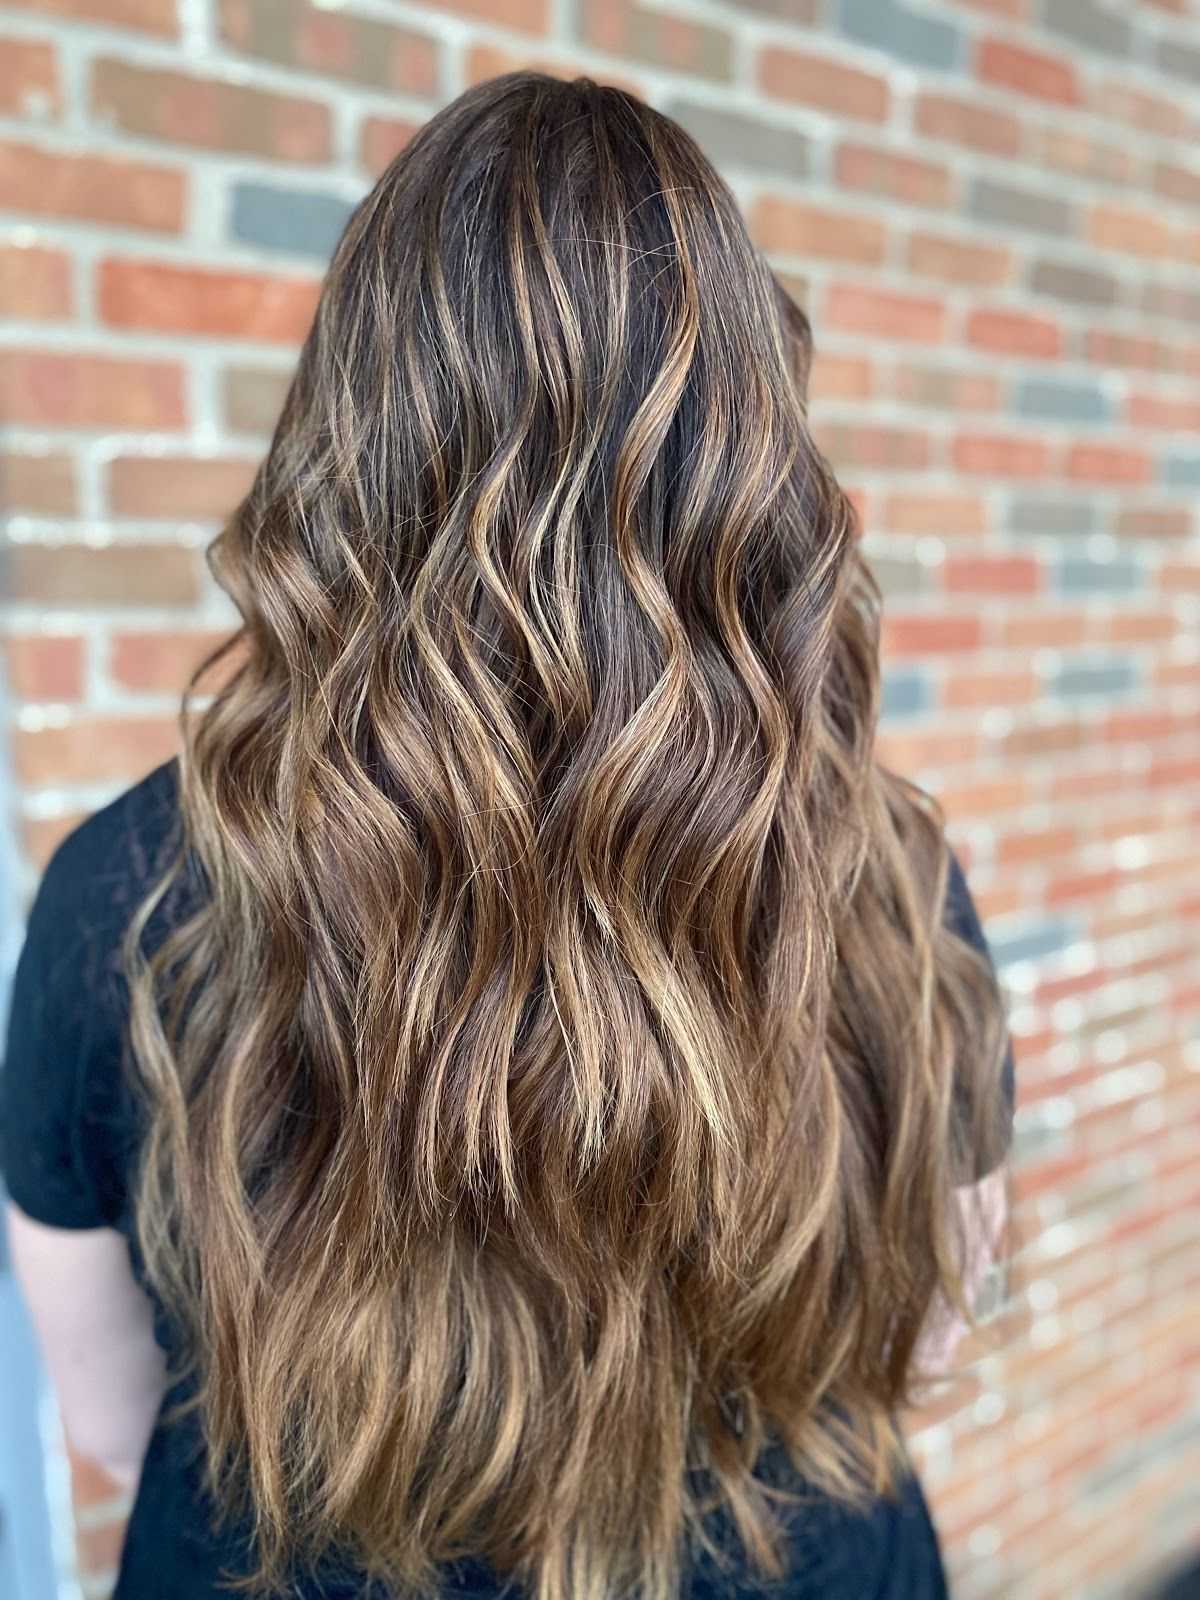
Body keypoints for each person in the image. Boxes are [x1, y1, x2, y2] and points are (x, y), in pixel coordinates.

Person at [2, 71, 1015, 1600]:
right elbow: (927, 1324)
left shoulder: (124, 903)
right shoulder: (891, 880)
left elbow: (110, 1420)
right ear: (745, 458)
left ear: (353, 440)